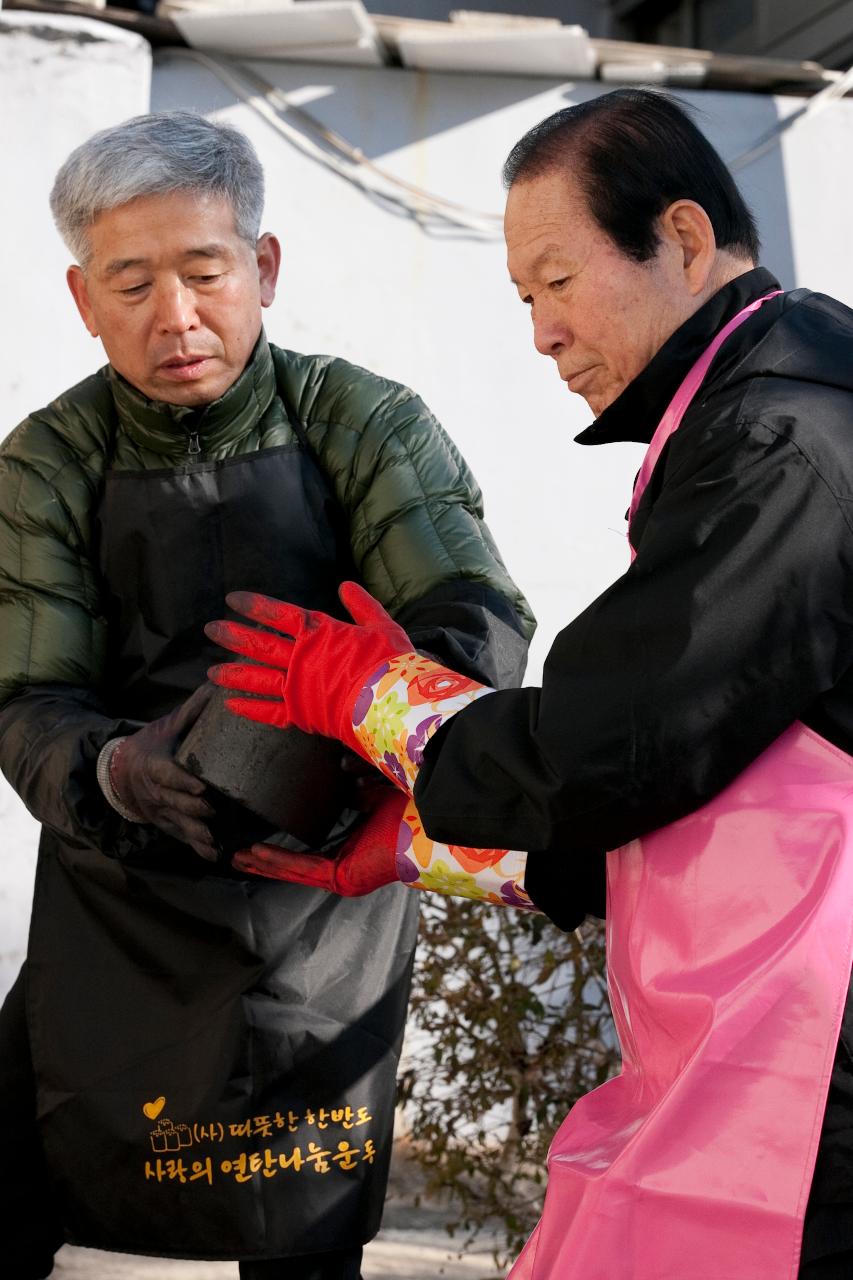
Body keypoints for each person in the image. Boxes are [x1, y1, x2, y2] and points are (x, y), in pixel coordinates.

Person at [207, 89, 853, 1279]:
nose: (541, 332)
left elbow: (605, 755)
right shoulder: (761, 412)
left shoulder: (781, 443)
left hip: (816, 1090)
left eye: (557, 280)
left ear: (685, 239)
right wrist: (424, 842)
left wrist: (375, 696)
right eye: (523, 297)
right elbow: (719, 806)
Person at [0, 111, 534, 1280]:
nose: (175, 315)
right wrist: (112, 770)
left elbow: (471, 624)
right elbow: (27, 692)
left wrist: (340, 746)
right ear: (85, 300)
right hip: (122, 889)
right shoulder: (48, 461)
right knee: (24, 1164)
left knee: (302, 1224)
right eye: (132, 282)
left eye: (204, 270)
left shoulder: (363, 422)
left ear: (264, 267)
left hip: (324, 890)